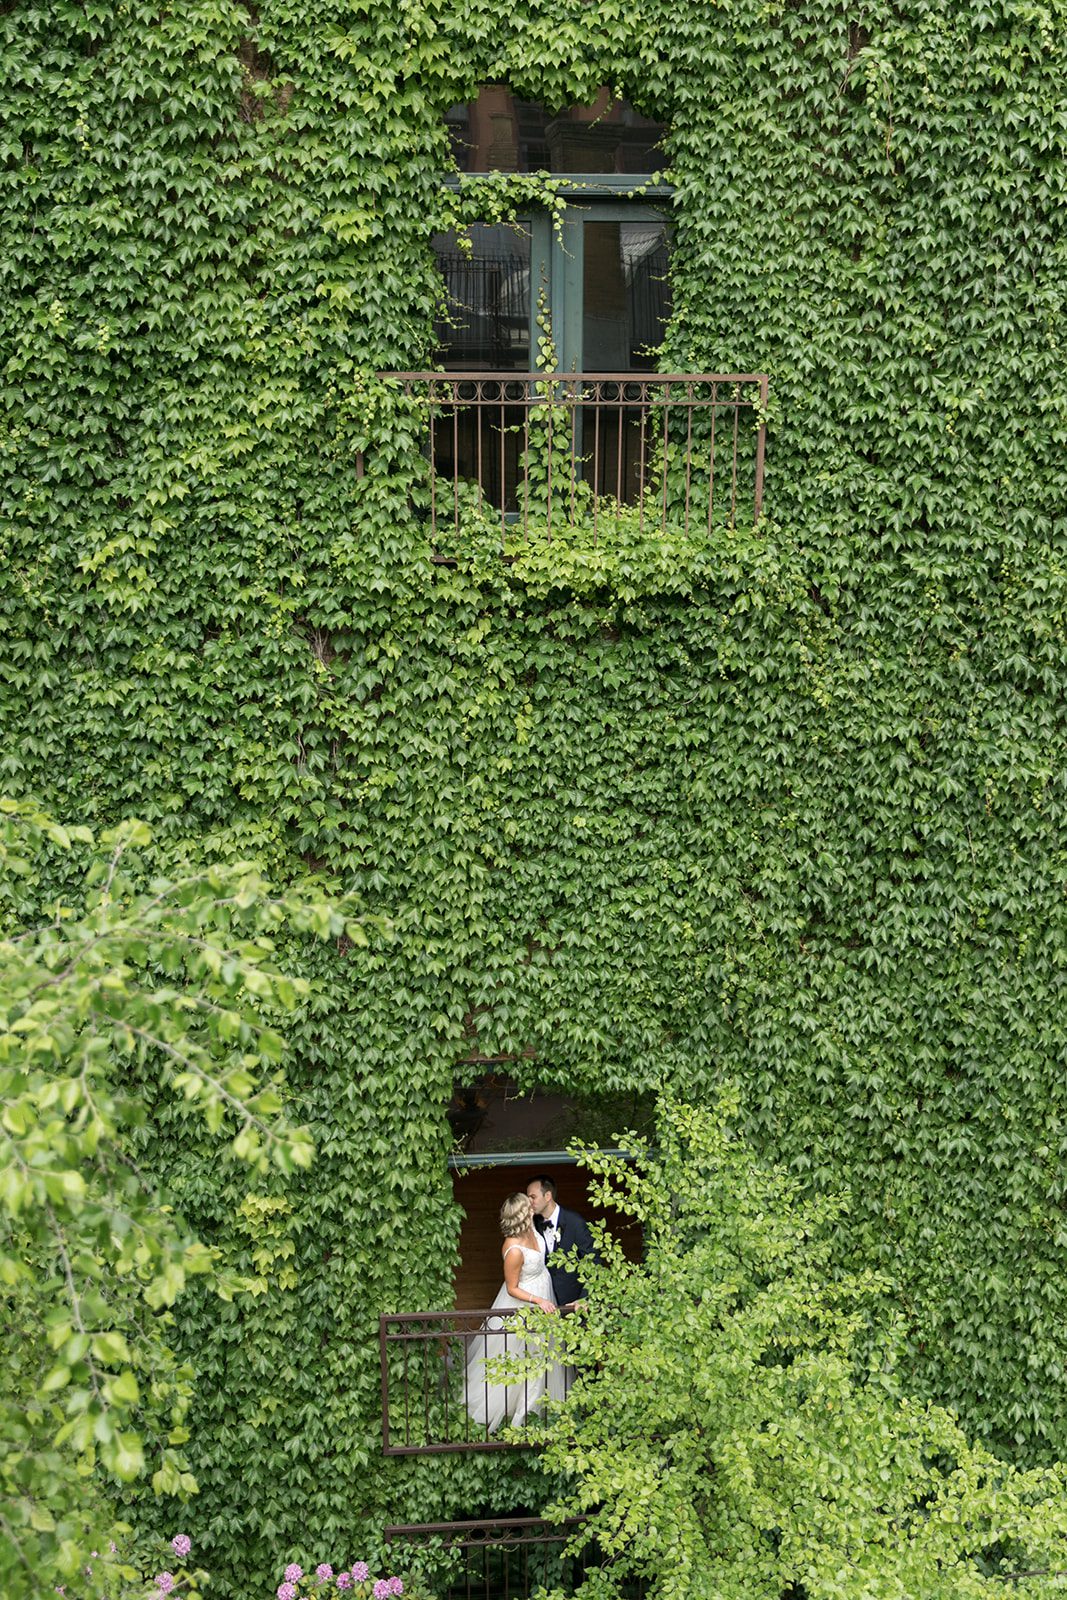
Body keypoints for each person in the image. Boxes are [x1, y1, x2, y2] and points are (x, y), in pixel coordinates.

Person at [464, 1192, 567, 1432]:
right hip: (526, 1302)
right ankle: (522, 1415)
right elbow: (512, 1288)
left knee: (545, 1353)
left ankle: (544, 1408)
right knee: (524, 1358)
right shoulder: (512, 1249)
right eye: (528, 1204)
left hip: (544, 1291)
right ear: (522, 1213)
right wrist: (537, 1300)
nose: (533, 1205)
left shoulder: (534, 1229)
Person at [526, 1174, 596, 1309]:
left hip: (572, 1303)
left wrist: (584, 1298)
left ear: (547, 1196)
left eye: (533, 1197)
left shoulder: (575, 1222)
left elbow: (593, 1262)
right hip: (542, 1303)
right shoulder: (532, 1224)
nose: (529, 1202)